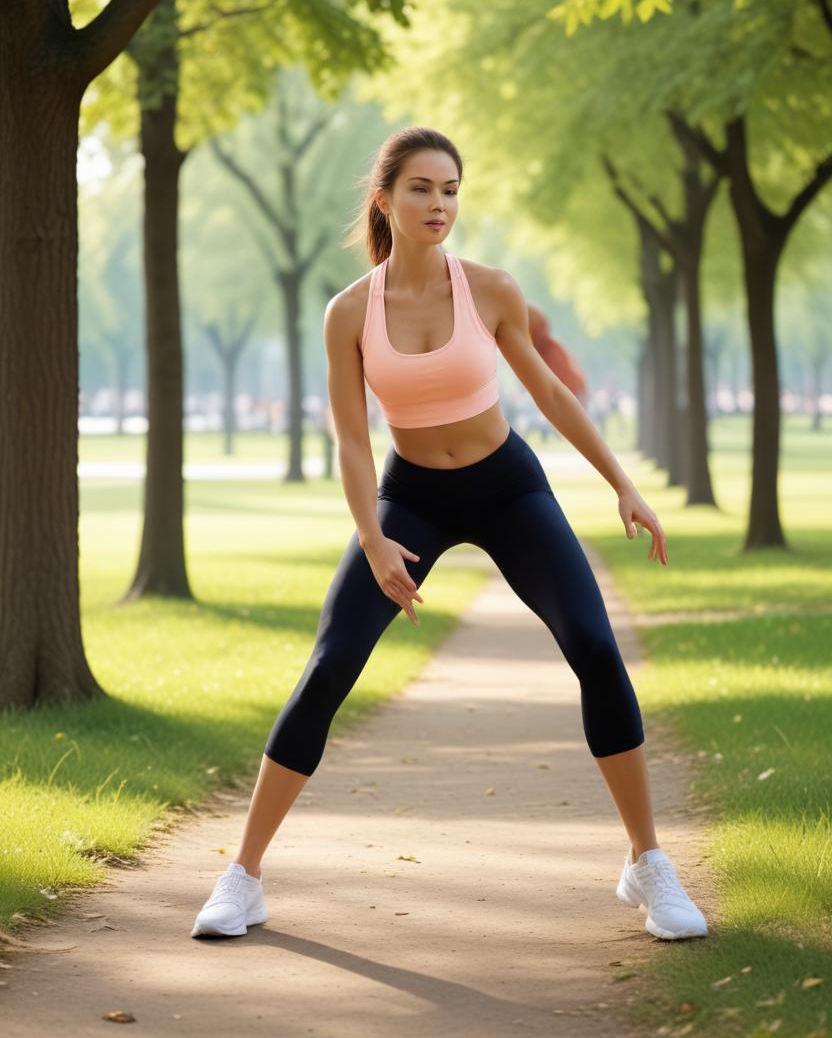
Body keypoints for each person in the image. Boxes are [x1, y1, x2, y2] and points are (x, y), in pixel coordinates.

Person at [192, 127, 708, 943]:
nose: (441, 205)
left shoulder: (491, 289)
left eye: (452, 190)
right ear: (386, 199)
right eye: (424, 188)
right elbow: (353, 439)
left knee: (597, 649)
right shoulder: (350, 313)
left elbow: (549, 393)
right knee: (330, 665)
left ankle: (648, 864)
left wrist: (623, 483)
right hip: (412, 498)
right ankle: (243, 876)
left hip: (506, 486)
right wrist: (372, 538)